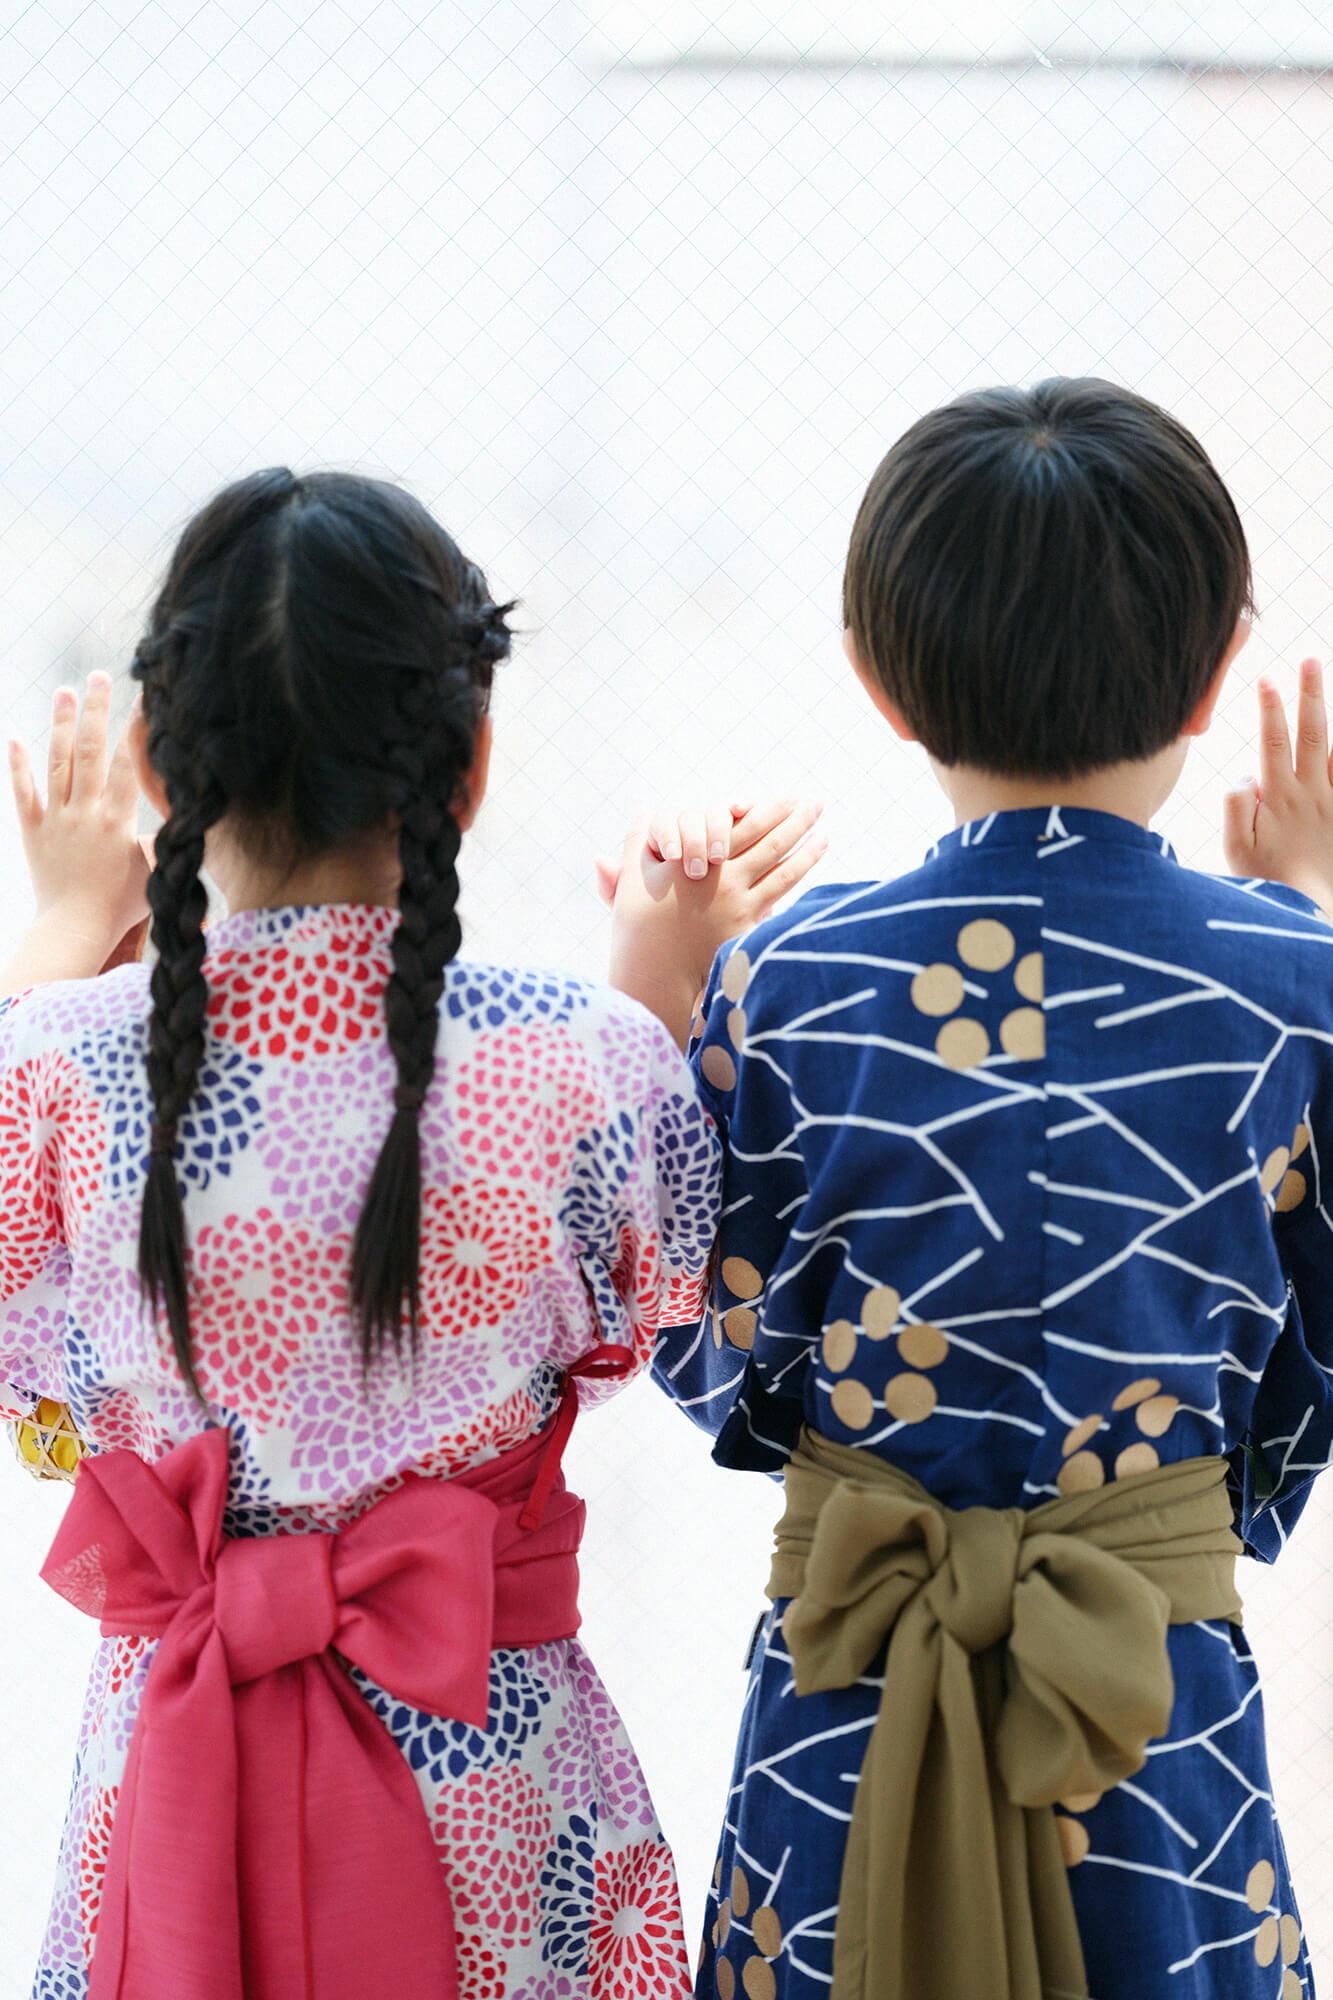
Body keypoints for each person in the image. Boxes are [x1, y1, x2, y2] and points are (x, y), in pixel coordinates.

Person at [0, 467, 823, 2000]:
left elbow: (32, 1385)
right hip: (495, 1800)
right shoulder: (578, 1058)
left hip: (172, 1777)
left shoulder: (53, 1065)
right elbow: (666, 1316)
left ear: (160, 781)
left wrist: (60, 924)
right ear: (473, 764)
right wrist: (660, 990)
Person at [608, 379, 1332, 1999]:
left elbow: (703, 1357)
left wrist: (661, 996)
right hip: (1149, 1701)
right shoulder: (1302, 982)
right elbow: (1309, 1373)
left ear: (876, 680)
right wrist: (1308, 911)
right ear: (1216, 669)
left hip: (845, 1694)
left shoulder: (779, 977)